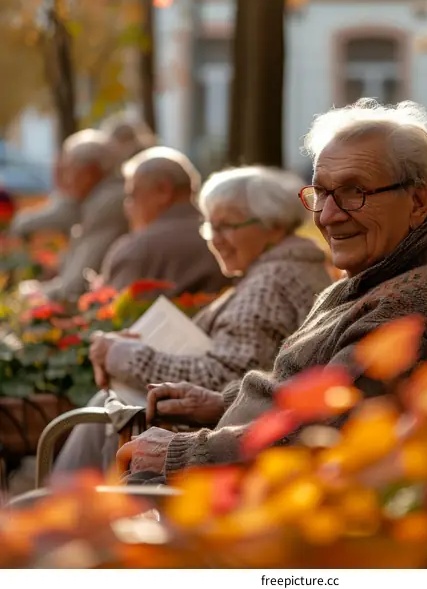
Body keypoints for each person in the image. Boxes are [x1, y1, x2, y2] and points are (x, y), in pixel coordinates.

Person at [116, 98, 427, 480]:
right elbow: (307, 392)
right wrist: (219, 403)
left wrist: (185, 452)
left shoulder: (415, 304)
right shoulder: (378, 275)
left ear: (417, 201)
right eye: (323, 193)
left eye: (353, 192)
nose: (328, 216)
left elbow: (322, 437)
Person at [52, 166, 331, 475]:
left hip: (226, 453)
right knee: (106, 407)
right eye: (210, 227)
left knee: (105, 408)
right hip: (240, 439)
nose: (216, 240)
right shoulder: (286, 268)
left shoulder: (268, 284)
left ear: (274, 226)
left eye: (227, 226)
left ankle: (58, 512)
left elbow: (221, 381)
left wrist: (124, 356)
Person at [98, 146, 229, 294]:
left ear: (163, 190)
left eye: (132, 195)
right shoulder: (228, 239)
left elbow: (111, 312)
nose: (127, 207)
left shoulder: (136, 249)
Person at [39, 129, 128, 302]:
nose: (66, 179)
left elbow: (76, 283)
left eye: (70, 170)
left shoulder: (107, 203)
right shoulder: (97, 199)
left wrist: (40, 295)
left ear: (90, 172)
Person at [10, 158, 81, 239]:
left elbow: (22, 223)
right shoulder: (60, 195)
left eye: (63, 171)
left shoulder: (72, 199)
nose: (56, 174)